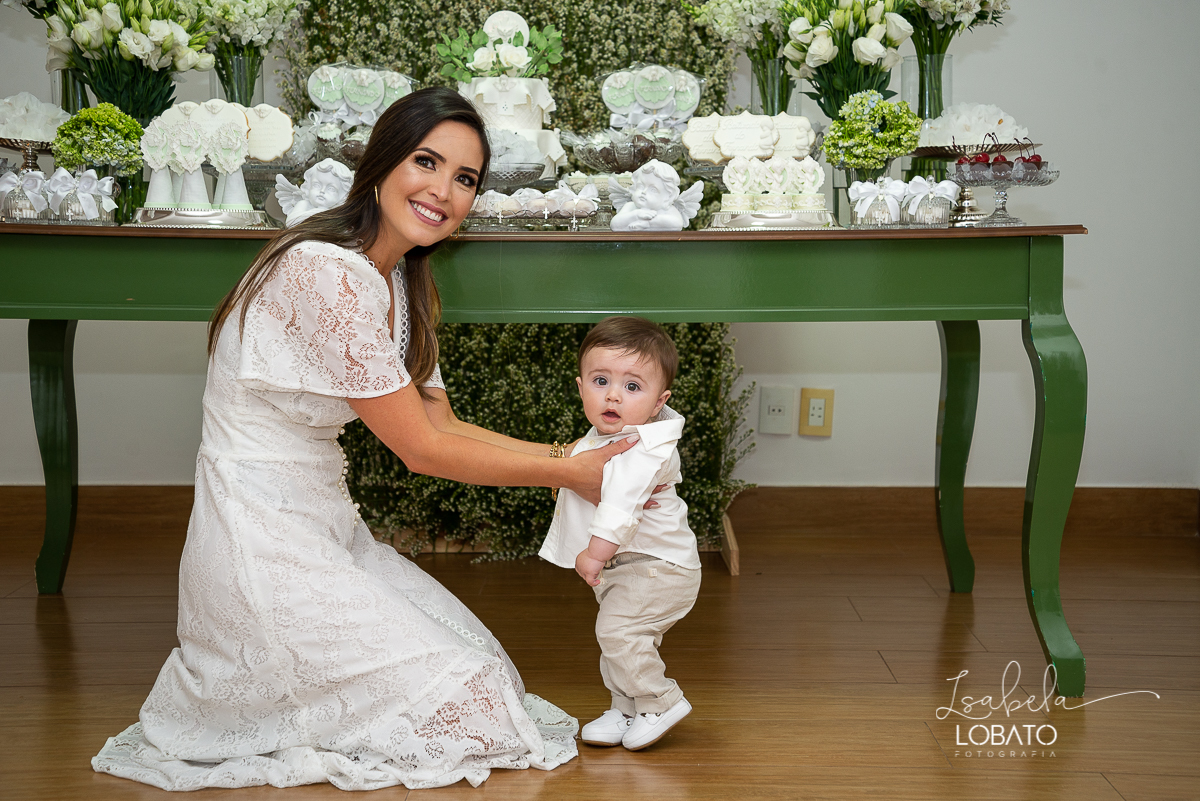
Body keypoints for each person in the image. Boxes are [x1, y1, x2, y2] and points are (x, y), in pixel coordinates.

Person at [91, 87, 639, 792]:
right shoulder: (326, 272)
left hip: (323, 526)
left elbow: (441, 421)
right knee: (472, 705)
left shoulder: (398, 282)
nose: (443, 191)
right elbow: (421, 449)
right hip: (255, 542)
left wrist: (575, 457)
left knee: (487, 671)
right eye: (427, 161)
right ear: (382, 164)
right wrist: (575, 475)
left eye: (465, 178)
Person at [538, 317, 702, 751]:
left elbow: (618, 507)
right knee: (615, 635)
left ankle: (660, 700)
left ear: (657, 402)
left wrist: (592, 554)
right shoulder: (607, 435)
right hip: (632, 566)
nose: (613, 394)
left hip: (657, 568)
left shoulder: (641, 449)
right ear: (580, 387)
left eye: (633, 387)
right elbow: (572, 461)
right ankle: (625, 707)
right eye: (600, 380)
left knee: (620, 633)